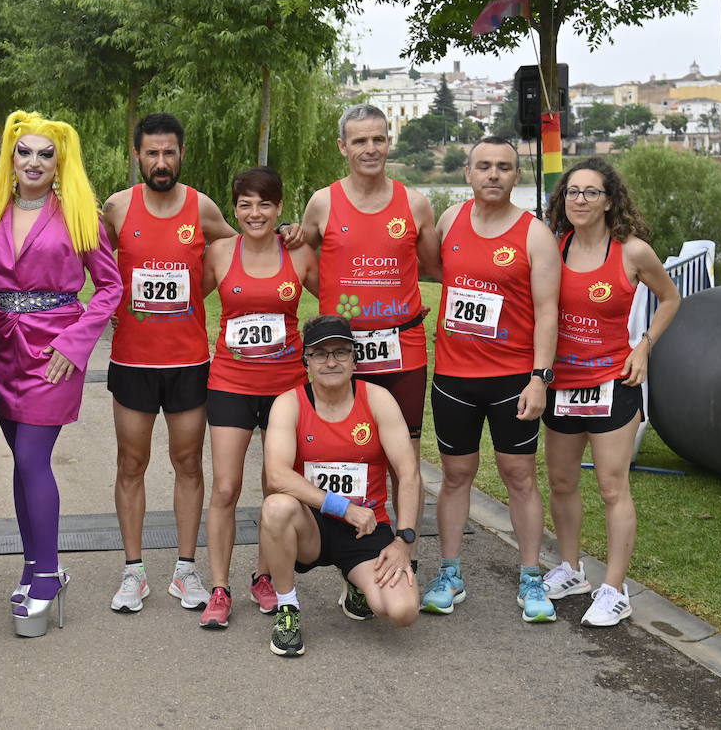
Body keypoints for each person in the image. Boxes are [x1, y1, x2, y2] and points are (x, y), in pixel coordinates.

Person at [0, 110, 122, 637]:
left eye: (45, 154)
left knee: (34, 457)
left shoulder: (80, 215)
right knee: (20, 462)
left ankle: (47, 573)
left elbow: (109, 288)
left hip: (54, 351)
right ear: (10, 158)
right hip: (1, 350)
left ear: (61, 164)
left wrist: (76, 344)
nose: (33, 161)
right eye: (24, 151)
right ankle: (34, 567)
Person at [101, 113, 248, 613]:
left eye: (169, 153)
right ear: (137, 155)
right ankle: (134, 571)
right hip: (133, 362)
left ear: (182, 154)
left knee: (187, 463)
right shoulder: (117, 208)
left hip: (188, 361)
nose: (160, 162)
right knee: (131, 464)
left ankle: (186, 571)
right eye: (151, 153)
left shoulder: (201, 207)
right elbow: (90, 266)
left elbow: (238, 246)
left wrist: (196, 293)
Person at [301, 103, 439, 617]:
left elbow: (431, 266)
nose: (370, 149)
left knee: (407, 459)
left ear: (390, 141)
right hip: (342, 353)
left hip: (402, 349)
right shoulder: (322, 203)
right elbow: (304, 260)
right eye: (359, 141)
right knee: (336, 453)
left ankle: (405, 554)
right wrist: (336, 300)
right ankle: (349, 559)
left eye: (378, 139)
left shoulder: (416, 203)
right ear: (343, 147)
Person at [423, 136, 561, 622]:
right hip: (454, 378)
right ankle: (450, 573)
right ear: (468, 173)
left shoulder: (535, 234)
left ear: (517, 176)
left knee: (519, 476)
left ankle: (531, 578)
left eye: (504, 167)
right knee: (456, 475)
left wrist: (540, 378)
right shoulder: (449, 221)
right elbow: (435, 271)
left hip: (512, 380)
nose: (494, 175)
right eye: (484, 166)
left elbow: (548, 313)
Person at [540, 158, 679, 627]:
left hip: (611, 385)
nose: (580, 200)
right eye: (572, 192)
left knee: (612, 486)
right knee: (561, 481)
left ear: (609, 201)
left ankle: (615, 589)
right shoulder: (552, 246)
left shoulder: (633, 251)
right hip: (560, 385)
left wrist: (644, 347)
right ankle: (571, 568)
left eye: (591, 192)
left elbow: (671, 297)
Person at [259, 315, 422, 656]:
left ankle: (356, 586)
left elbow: (408, 473)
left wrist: (404, 540)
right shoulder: (289, 403)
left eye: (340, 352)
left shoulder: (377, 400)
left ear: (354, 358)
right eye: (320, 353)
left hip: (365, 529)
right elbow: (276, 475)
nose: (331, 361)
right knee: (276, 506)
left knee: (402, 611)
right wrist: (343, 507)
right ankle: (287, 610)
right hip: (312, 527)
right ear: (306, 360)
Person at [198, 166, 317, 630]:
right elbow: (186, 301)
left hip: (287, 388)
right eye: (245, 204)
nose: (255, 213)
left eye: (265, 204)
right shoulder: (219, 253)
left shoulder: (299, 252)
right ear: (234, 208)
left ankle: (264, 577)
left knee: (276, 488)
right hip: (230, 382)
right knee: (226, 487)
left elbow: (339, 297)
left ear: (280, 207)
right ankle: (220, 588)